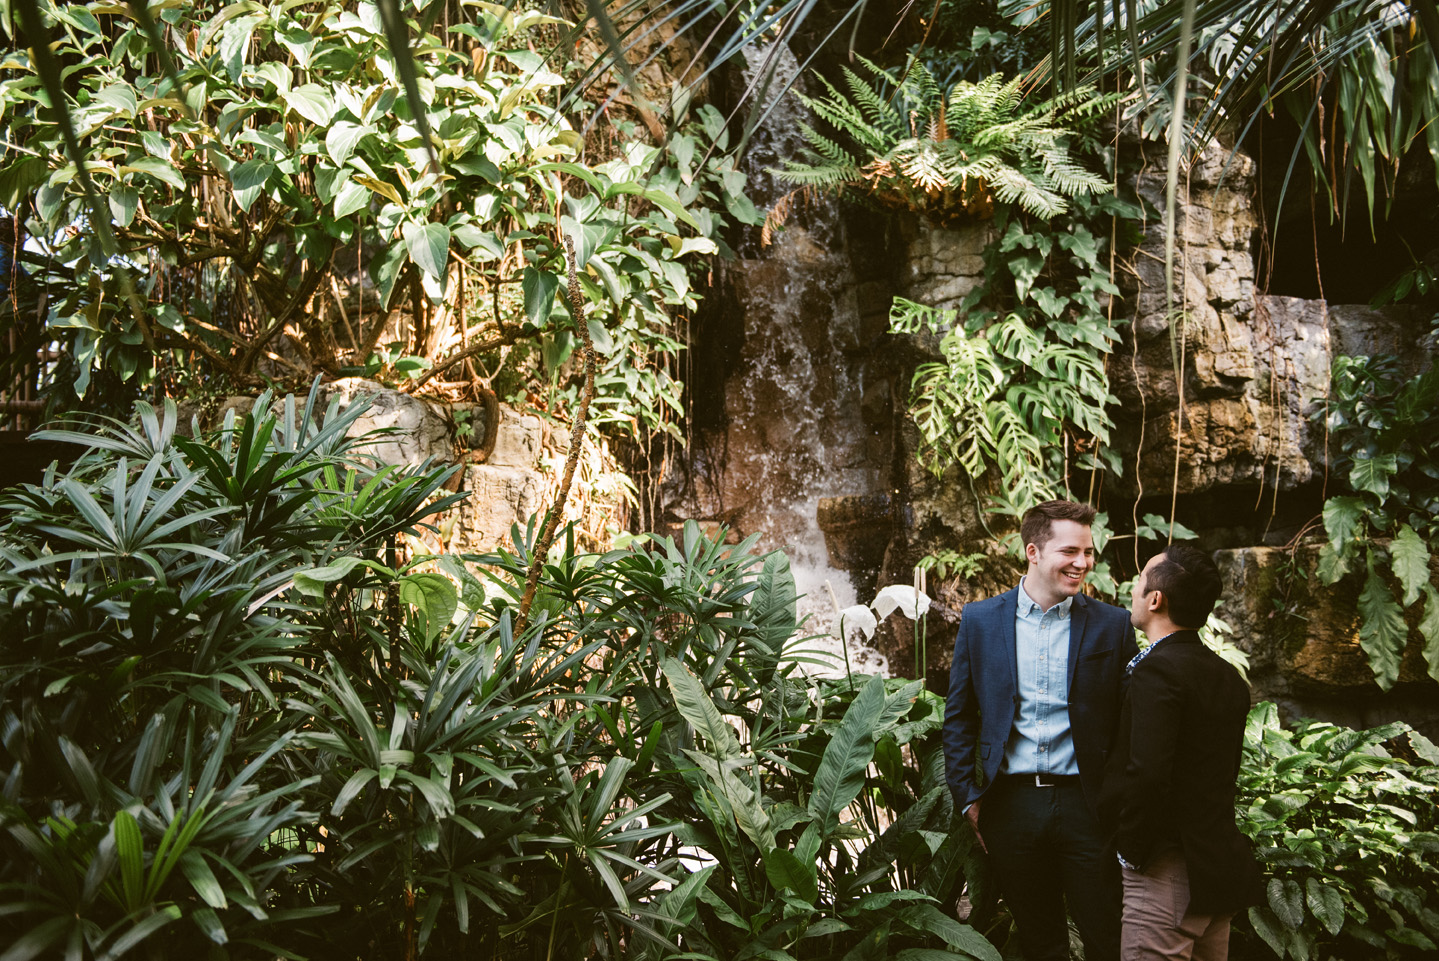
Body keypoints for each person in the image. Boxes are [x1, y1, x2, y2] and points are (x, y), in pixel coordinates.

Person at [944, 499, 1137, 961]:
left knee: (1107, 935)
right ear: (1033, 552)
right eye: (1070, 551)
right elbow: (959, 717)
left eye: (1088, 553)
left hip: (1087, 805)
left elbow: (1130, 721)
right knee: (1039, 941)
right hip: (1011, 804)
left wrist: (1120, 799)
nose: (1083, 563)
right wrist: (967, 797)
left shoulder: (1113, 625)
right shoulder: (980, 620)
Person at [1100, 543, 1262, 961]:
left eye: (1138, 586)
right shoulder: (1227, 676)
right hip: (1215, 869)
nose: (1132, 595)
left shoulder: (1158, 670)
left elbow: (1149, 772)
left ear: (1156, 599)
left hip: (1164, 871)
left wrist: (1130, 851)